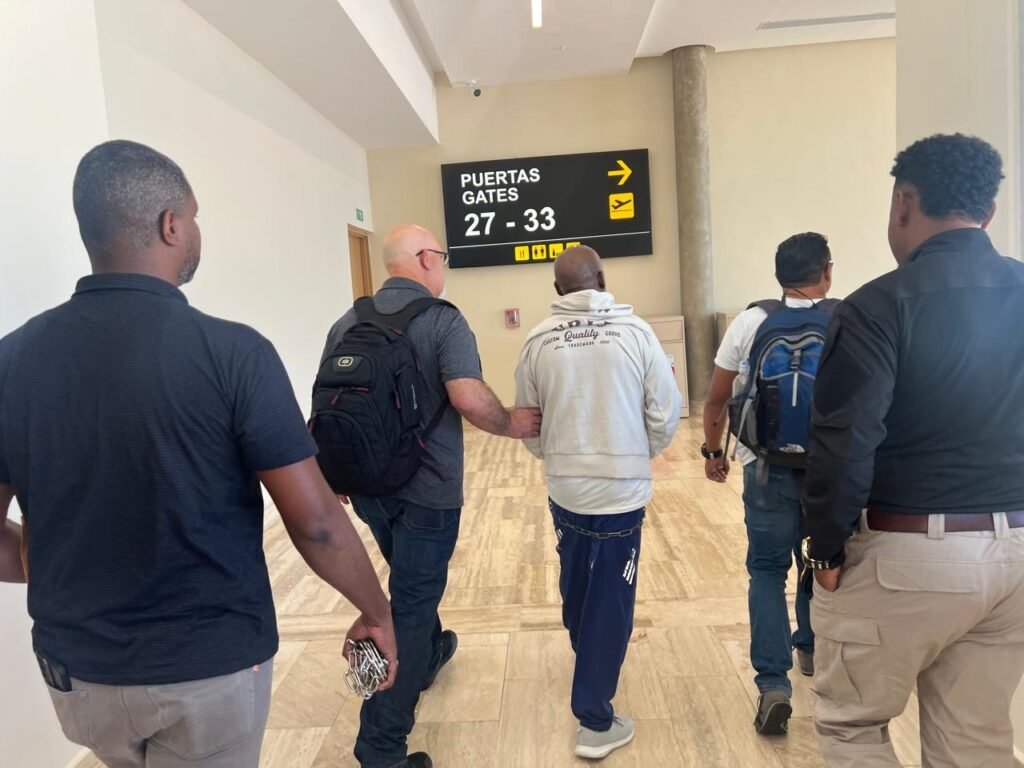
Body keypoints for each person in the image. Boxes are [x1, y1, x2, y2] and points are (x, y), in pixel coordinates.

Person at [0, 140, 397, 768]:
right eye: (194, 218)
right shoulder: (235, 355)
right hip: (206, 668)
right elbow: (317, 523)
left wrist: (56, 564)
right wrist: (377, 612)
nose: (195, 232)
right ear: (171, 225)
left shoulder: (11, 359)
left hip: (76, 675)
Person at [801, 133, 1024, 767]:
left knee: (853, 726)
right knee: (975, 739)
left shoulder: (876, 307)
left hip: (907, 556)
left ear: (904, 202)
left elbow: (846, 441)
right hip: (1016, 558)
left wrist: (826, 547)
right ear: (989, 213)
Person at [321, 224, 542, 768]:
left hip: (368, 488)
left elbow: (327, 402)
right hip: (428, 490)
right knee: (411, 605)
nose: (442, 265)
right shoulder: (442, 320)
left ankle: (427, 655)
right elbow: (466, 396)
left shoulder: (346, 320)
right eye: (440, 256)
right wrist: (511, 423)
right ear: (424, 259)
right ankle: (380, 746)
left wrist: (336, 471)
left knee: (410, 583)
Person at [514, 246, 681, 760]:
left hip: (565, 488)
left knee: (577, 579)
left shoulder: (538, 340)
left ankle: (586, 652)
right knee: (612, 597)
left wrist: (556, 457)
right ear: (603, 280)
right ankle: (594, 721)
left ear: (557, 290)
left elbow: (528, 422)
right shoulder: (637, 334)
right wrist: (636, 452)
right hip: (620, 492)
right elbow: (666, 412)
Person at [702, 232, 835, 735]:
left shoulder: (750, 322)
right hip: (828, 471)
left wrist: (714, 452)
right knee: (821, 560)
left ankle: (773, 685)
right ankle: (812, 648)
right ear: (827, 272)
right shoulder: (844, 318)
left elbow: (717, 398)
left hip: (765, 468)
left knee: (766, 569)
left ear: (779, 275)